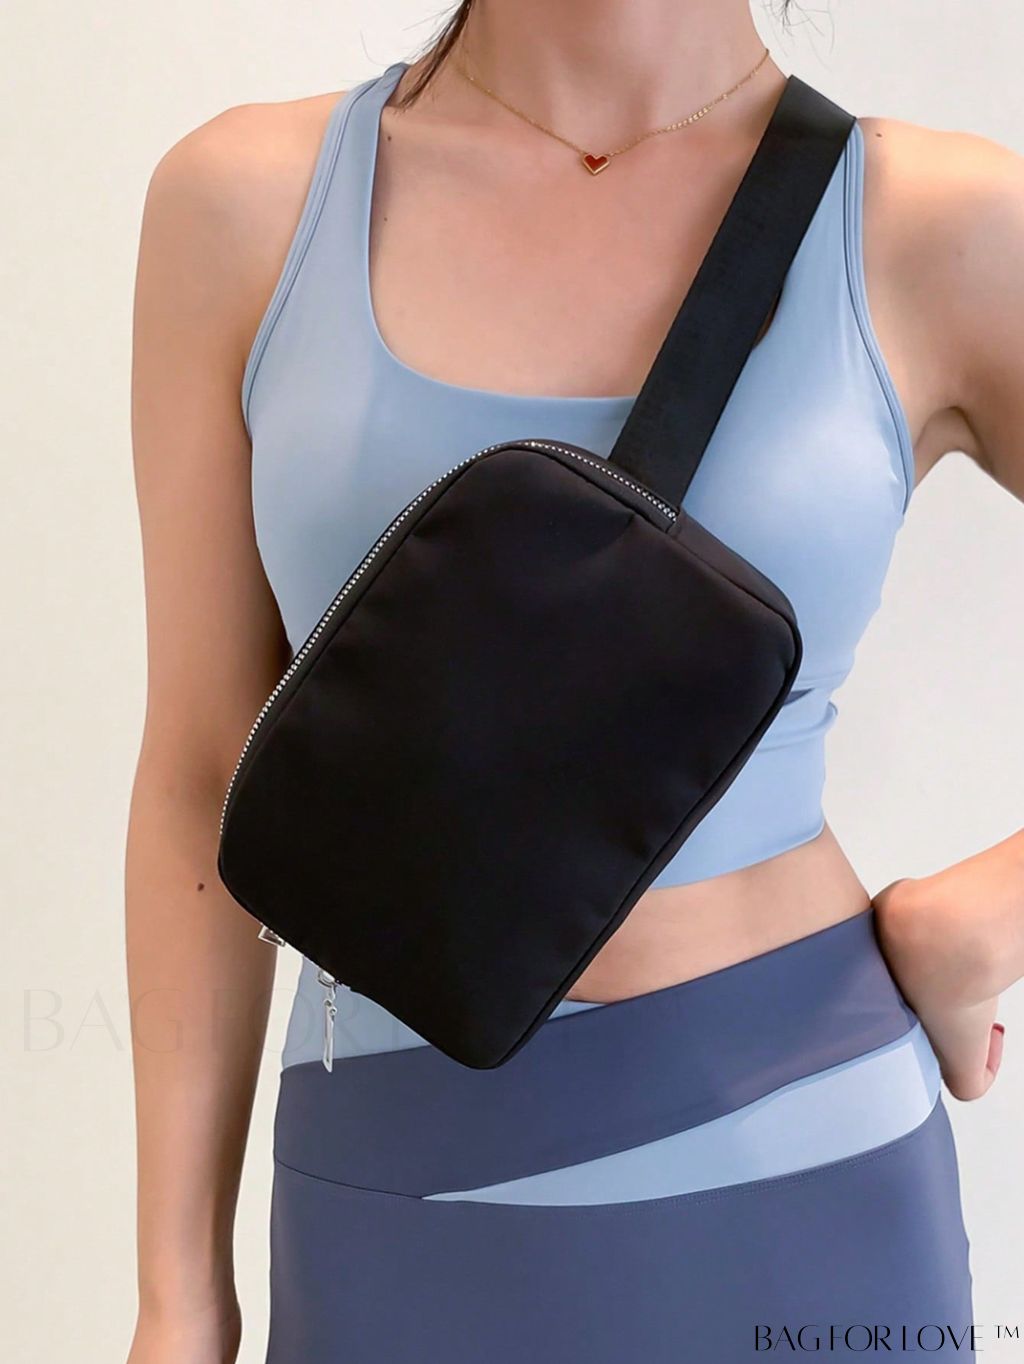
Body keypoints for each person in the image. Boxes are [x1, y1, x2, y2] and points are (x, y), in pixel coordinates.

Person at [124, 1, 1024, 1360]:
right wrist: (177, 1293)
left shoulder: (934, 222)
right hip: (390, 1189)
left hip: (801, 1165)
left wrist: (985, 922)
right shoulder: (246, 204)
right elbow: (202, 774)